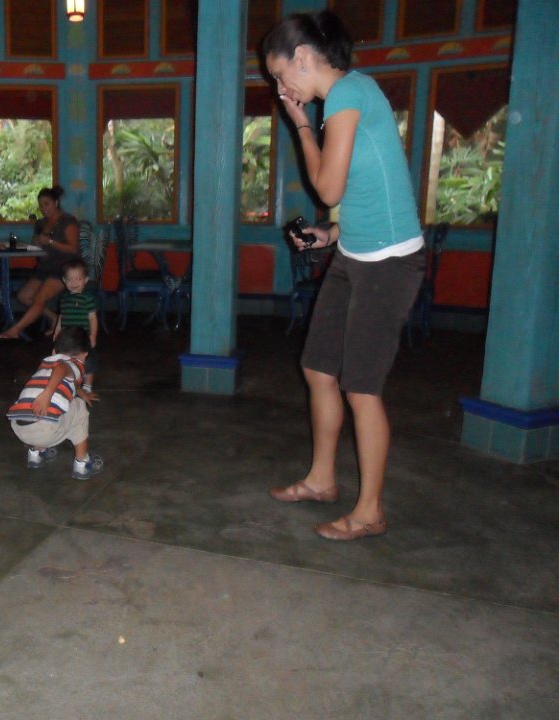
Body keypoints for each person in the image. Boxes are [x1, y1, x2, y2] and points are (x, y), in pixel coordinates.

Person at [261, 11, 425, 541]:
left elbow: (329, 187)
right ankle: (321, 479)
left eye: (280, 75)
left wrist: (301, 125)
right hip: (354, 254)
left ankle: (370, 510)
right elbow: (362, 189)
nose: (281, 88)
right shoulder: (346, 98)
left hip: (389, 262)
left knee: (362, 387)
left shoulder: (348, 94)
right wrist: (329, 234)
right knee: (317, 367)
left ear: (304, 57)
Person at [7, 326, 103, 480]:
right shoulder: (74, 363)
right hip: (45, 431)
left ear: (54, 352)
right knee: (78, 408)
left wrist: (81, 393)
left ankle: (36, 454)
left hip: (20, 427)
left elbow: (69, 379)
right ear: (84, 355)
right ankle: (82, 463)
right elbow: (61, 368)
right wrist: (47, 394)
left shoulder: (46, 363)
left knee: (44, 412)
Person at [0, 185, 80, 339]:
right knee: (24, 296)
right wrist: (35, 242)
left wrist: (50, 242)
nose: (43, 208)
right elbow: (38, 246)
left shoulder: (68, 221)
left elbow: (73, 249)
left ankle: (15, 330)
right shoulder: (41, 223)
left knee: (40, 298)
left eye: (47, 204)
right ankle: (55, 318)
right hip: (46, 267)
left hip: (65, 268)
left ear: (56, 203)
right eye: (41, 205)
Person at [53, 258, 99, 389]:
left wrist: (93, 335)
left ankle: (88, 386)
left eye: (78, 279)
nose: (74, 283)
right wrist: (57, 332)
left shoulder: (88, 298)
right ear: (64, 280)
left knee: (88, 360)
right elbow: (61, 316)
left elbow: (93, 318)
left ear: (85, 280)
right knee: (66, 360)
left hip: (83, 337)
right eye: (70, 279)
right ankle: (71, 383)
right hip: (67, 337)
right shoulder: (64, 298)